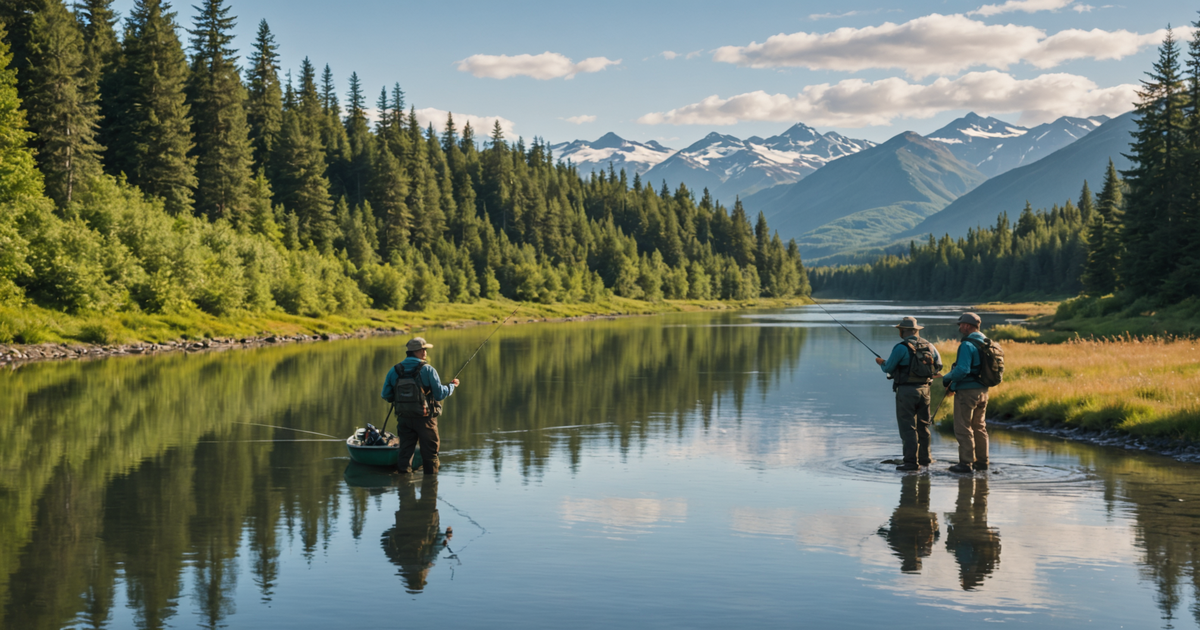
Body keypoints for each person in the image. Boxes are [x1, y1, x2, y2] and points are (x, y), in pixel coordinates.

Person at [381, 337, 459, 474]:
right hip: (425, 420)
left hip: (404, 418)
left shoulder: (394, 370)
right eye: (424, 349)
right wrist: (452, 386)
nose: (425, 352)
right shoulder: (428, 370)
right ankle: (430, 486)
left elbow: (386, 395)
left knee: (405, 454)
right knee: (431, 456)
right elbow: (440, 394)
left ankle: (404, 486)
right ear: (418, 351)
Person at [876, 316, 943, 471]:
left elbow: (888, 368)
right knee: (924, 425)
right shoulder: (930, 346)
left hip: (906, 391)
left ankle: (911, 463)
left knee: (908, 427)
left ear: (902, 331)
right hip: (925, 390)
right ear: (916, 330)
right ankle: (925, 459)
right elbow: (938, 365)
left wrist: (881, 363)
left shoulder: (900, 347)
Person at [943, 312, 990, 473]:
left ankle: (966, 464)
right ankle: (982, 463)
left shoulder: (966, 345)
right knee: (980, 427)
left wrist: (947, 379)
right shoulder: (985, 341)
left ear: (968, 326)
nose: (960, 326)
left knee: (963, 427)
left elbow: (962, 370)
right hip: (983, 391)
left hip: (967, 392)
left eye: (961, 324)